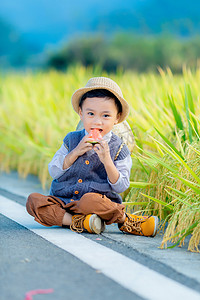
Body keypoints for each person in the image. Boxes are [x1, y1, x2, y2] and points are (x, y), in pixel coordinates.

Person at [26, 77, 158, 236]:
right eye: (91, 113)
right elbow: (54, 171)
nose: (97, 122)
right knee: (34, 201)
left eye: (106, 116)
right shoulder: (71, 140)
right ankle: (80, 222)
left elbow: (121, 185)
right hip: (63, 201)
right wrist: (75, 152)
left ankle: (126, 220)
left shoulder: (119, 148)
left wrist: (107, 161)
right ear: (81, 113)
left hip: (96, 204)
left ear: (117, 118)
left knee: (90, 200)